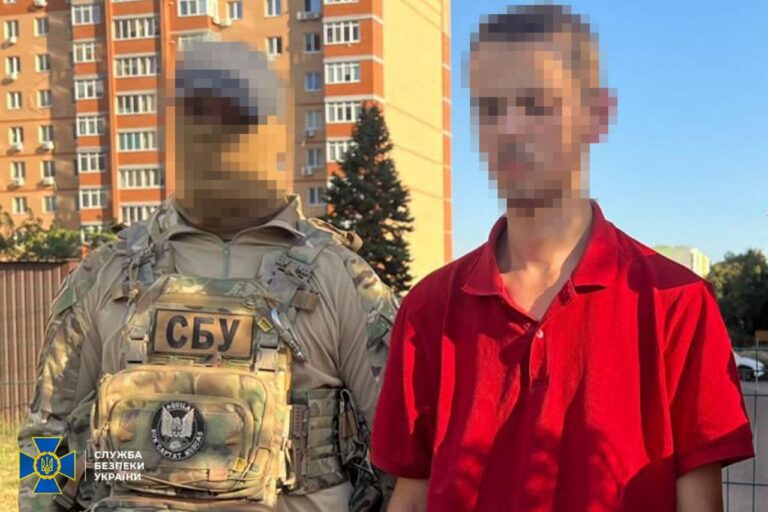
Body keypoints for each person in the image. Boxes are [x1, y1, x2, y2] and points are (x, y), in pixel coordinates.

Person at [371, 5, 754, 512]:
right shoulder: (427, 309)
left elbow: (698, 503)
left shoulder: (677, 305)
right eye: (490, 107)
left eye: (537, 104)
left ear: (597, 115)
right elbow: (412, 493)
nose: (510, 129)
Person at [19, 42, 396, 512]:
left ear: (277, 137)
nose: (217, 139)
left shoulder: (342, 279)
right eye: (199, 119)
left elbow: (403, 455)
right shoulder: (106, 274)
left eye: (238, 120)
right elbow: (48, 435)